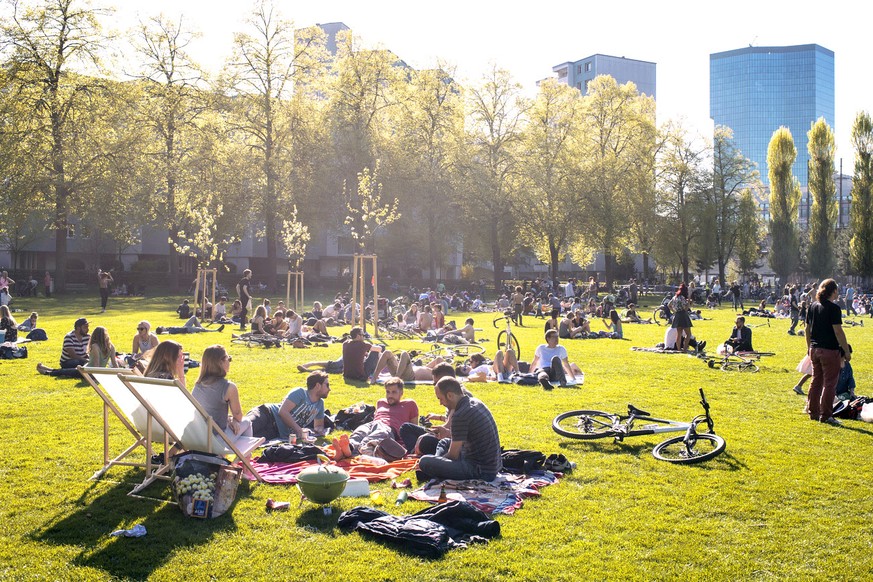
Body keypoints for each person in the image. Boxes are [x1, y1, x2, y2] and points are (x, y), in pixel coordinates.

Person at [417, 376, 501, 482]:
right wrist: (448, 433)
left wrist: (437, 462)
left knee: (424, 461)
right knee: (444, 442)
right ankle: (436, 469)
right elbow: (470, 436)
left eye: (440, 399)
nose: (440, 403)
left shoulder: (460, 414)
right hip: (491, 465)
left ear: (450, 395)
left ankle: (434, 470)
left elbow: (453, 455)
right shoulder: (475, 402)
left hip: (481, 470)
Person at [333, 377, 420, 460]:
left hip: (389, 428)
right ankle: (348, 448)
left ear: (401, 393)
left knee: (377, 435)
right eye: (388, 392)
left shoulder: (410, 404)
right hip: (373, 424)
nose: (390, 395)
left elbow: (413, 428)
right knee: (360, 432)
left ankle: (351, 452)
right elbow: (375, 419)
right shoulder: (381, 402)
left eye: (394, 392)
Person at [805, 278, 851, 426]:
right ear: (835, 291)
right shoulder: (834, 309)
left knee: (816, 381)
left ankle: (813, 411)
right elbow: (838, 331)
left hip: (814, 349)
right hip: (830, 350)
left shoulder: (813, 306)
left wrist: (808, 346)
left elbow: (807, 329)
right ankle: (826, 415)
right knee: (830, 384)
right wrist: (846, 350)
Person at [244, 371, 331, 441]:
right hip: (267, 415)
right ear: (318, 385)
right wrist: (299, 430)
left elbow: (318, 426)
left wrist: (319, 430)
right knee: (243, 428)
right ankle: (231, 421)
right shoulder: (300, 393)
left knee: (248, 440)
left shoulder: (320, 404)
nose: (329, 389)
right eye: (327, 385)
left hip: (276, 432)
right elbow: (283, 412)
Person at [192, 345, 253, 445]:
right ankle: (244, 459)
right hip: (215, 442)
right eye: (228, 358)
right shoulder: (229, 387)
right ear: (221, 362)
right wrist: (233, 420)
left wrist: (229, 419)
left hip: (196, 438)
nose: (229, 362)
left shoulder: (198, 384)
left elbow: (209, 411)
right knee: (246, 422)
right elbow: (238, 416)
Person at [368, 349, 445, 383]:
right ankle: (375, 377)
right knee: (387, 352)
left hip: (409, 376)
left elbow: (440, 359)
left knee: (404, 354)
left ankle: (395, 380)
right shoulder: (429, 368)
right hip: (402, 372)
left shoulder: (435, 374)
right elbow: (438, 358)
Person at [669, 283, 693, 352]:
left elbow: (669, 305)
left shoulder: (675, 297)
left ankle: (679, 349)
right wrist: (689, 301)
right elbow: (686, 308)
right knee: (688, 334)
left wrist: (674, 311)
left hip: (677, 316)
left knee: (679, 334)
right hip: (683, 315)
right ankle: (685, 349)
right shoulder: (682, 298)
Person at [156, 316, 224, 335]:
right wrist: (161, 332)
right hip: (187, 330)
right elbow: (162, 333)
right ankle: (216, 330)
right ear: (162, 330)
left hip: (185, 327)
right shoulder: (167, 332)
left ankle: (202, 329)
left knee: (194, 317)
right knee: (201, 329)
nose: (163, 326)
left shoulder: (168, 329)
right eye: (162, 327)